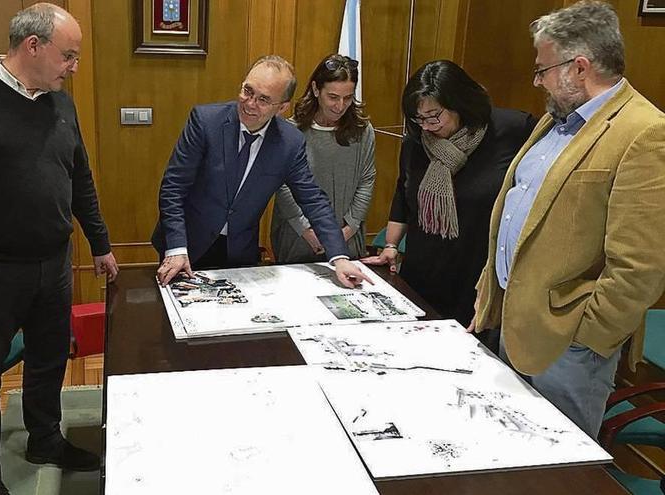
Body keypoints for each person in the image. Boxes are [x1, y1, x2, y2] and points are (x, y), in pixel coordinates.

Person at [471, 0, 665, 437]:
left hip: (570, 345)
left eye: (542, 69)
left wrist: (588, 338)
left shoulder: (645, 132)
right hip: (516, 326)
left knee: (558, 472)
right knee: (509, 453)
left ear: (578, 68)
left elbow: (641, 267)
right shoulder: (555, 122)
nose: (537, 80)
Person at [0, 4, 117, 494]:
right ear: (33, 46)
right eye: (68, 55)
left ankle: (45, 439)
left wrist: (101, 244)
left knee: (50, 361)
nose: (73, 67)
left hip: (54, 262)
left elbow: (79, 176)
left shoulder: (60, 102)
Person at [153, 55, 372, 288]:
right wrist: (176, 248)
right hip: (185, 246)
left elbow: (312, 199)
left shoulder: (289, 142)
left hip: (238, 253)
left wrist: (339, 256)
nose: (249, 103)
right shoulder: (206, 122)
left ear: (282, 107)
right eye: (247, 91)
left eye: (264, 99)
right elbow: (173, 188)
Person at [363, 60, 535, 342]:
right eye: (418, 119)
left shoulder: (512, 130)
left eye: (434, 116)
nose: (427, 126)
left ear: (459, 102)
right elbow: (404, 196)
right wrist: (391, 246)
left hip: (478, 275)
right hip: (424, 273)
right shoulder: (416, 142)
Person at [271, 54, 376, 262]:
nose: (340, 106)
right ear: (316, 89)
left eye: (348, 98)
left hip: (348, 237)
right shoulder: (291, 131)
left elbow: (367, 180)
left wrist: (346, 230)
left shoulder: (362, 132)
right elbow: (282, 186)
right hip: (299, 237)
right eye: (333, 97)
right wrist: (307, 230)